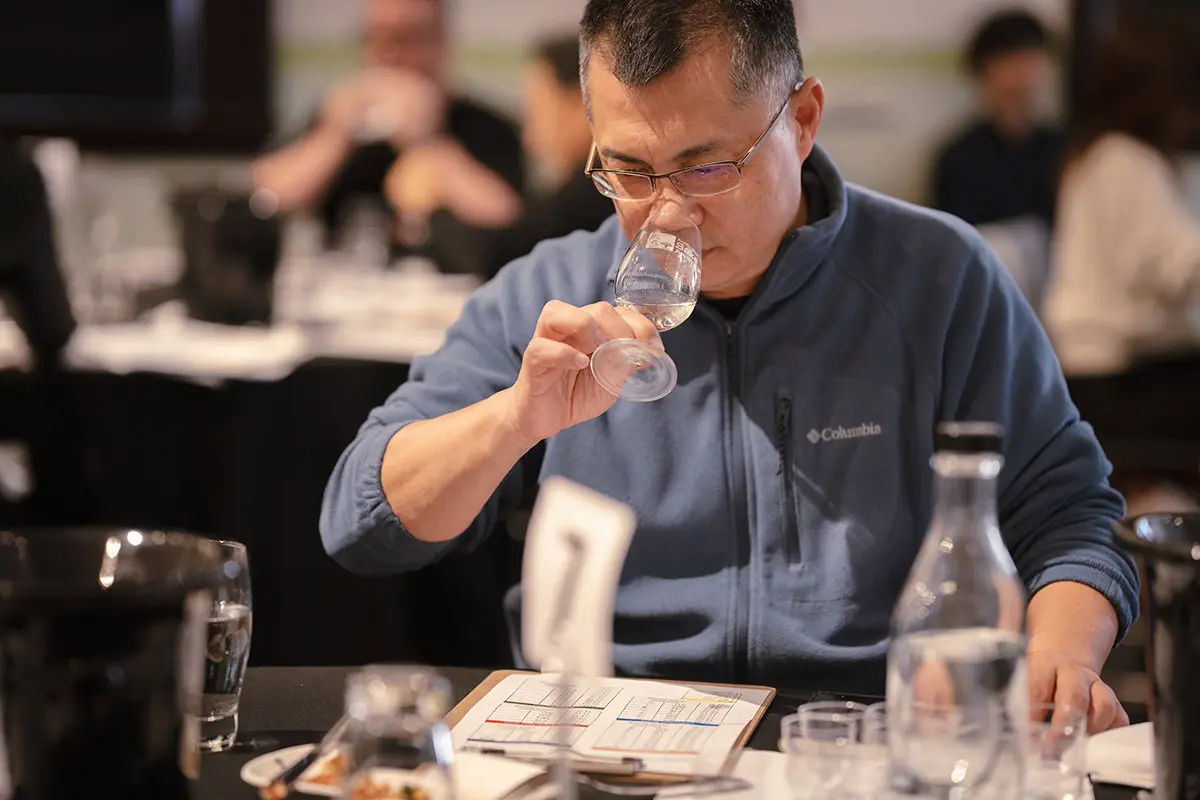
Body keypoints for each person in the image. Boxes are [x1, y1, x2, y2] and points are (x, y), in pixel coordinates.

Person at [321, 0, 1139, 732]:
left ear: (803, 119)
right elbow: (362, 521)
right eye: (629, 171)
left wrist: (1060, 659)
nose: (669, 213)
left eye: (707, 167)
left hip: (862, 731)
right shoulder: (548, 296)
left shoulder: (937, 277)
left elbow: (1070, 513)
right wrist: (514, 420)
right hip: (610, 732)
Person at [1041, 15, 1200, 512]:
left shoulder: (1103, 154)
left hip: (1114, 370)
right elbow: (1168, 268)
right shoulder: (1123, 159)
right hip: (1115, 377)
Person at [250, 0, 524, 260]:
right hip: (341, 284)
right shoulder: (336, 117)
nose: (391, 55)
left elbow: (508, 220)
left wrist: (428, 141)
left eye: (407, 38)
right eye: (377, 39)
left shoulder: (488, 126)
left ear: (441, 42)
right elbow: (267, 196)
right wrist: (334, 136)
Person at [385, 35, 615, 279]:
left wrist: (433, 208)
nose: (528, 136)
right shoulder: (581, 180)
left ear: (581, 103)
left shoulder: (597, 182)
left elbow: (506, 258)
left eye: (536, 110)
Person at [931, 9, 1064, 229]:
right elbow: (952, 238)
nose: (1022, 75)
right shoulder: (959, 159)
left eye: (1031, 61)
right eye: (1009, 62)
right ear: (982, 72)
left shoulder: (1064, 150)